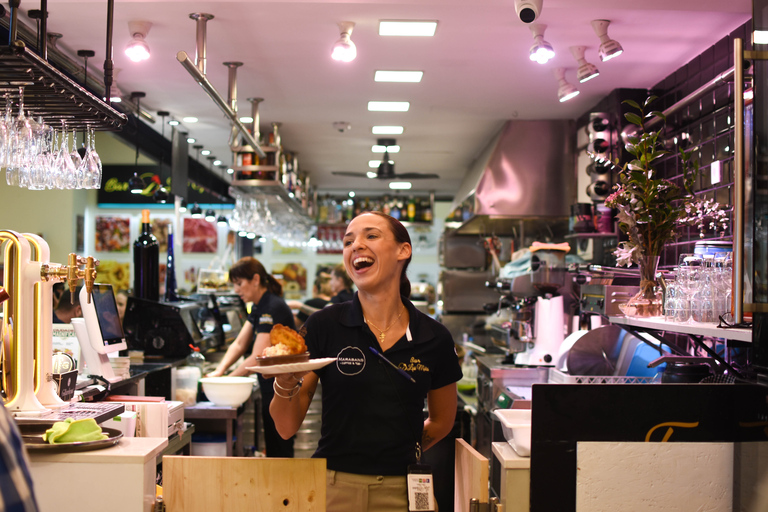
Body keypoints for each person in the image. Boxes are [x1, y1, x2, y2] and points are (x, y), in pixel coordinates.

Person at [270, 212, 462, 511]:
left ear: (403, 250)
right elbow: (285, 427)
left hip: (406, 490)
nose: (356, 245)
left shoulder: (433, 337)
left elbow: (442, 421)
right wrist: (284, 381)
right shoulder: (324, 325)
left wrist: (399, 446)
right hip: (332, 489)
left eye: (371, 236)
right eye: (348, 241)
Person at [207, 257, 296, 457]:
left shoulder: (272, 307)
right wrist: (219, 371)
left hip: (280, 389)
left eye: (239, 284)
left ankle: (286, 487)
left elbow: (257, 356)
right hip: (270, 387)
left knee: (280, 446)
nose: (237, 290)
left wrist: (227, 380)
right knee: (274, 445)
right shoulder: (259, 306)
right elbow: (239, 344)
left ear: (255, 280)